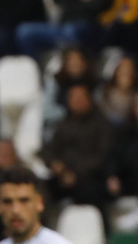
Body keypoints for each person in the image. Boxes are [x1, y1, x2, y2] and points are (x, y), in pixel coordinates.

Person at [41, 84, 114, 212]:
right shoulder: (63, 123)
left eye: (80, 98)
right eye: (73, 98)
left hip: (91, 177)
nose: (77, 102)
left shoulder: (101, 124)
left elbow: (102, 157)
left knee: (90, 191)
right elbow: (49, 149)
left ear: (89, 100)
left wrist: (74, 174)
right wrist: (54, 164)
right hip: (63, 176)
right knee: (41, 190)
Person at [98, 55, 138, 124]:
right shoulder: (102, 93)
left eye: (129, 69)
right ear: (115, 71)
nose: (126, 73)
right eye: (122, 69)